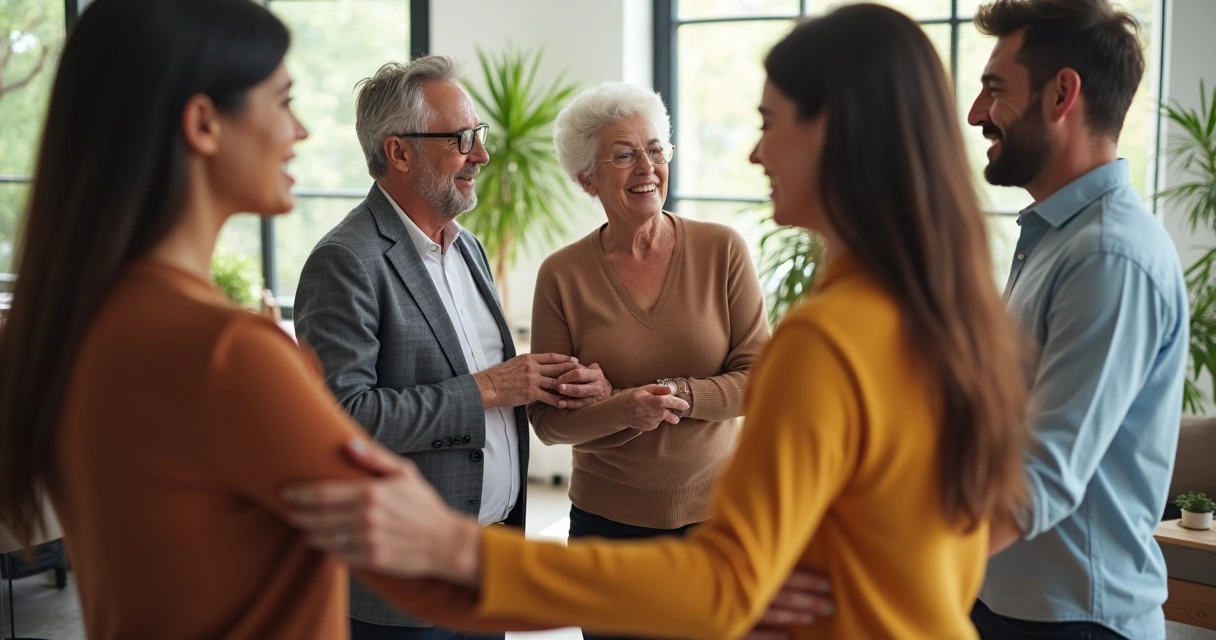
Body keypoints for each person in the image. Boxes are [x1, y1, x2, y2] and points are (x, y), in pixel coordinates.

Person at [284, 5, 1031, 638]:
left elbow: (719, 584)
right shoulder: (947, 316)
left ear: (837, 135)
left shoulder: (829, 337)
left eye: (770, 123)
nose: (755, 151)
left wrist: (466, 558)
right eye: (623, 155)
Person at [0, 2, 560, 638]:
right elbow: (410, 525)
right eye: (283, 100)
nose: (301, 132)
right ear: (205, 123)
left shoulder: (95, 325)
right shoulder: (232, 351)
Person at [293, 56, 610, 639]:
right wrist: (490, 389)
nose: (481, 155)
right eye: (462, 139)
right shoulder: (346, 261)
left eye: (479, 136)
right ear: (399, 152)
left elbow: (494, 386)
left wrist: (554, 383)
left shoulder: (468, 250)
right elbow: (343, 420)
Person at [965, 1, 1188, 638]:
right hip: (1015, 599)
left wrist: (884, 568)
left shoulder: (1107, 254)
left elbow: (1042, 474)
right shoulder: (1057, 237)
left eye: (994, 88)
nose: (977, 114)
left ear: (1063, 93)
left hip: (1072, 620)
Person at [526, 81, 770, 640]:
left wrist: (676, 394)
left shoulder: (722, 250)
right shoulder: (562, 276)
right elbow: (549, 423)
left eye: (656, 149)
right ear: (588, 178)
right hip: (609, 529)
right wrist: (624, 410)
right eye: (624, 154)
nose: (647, 166)